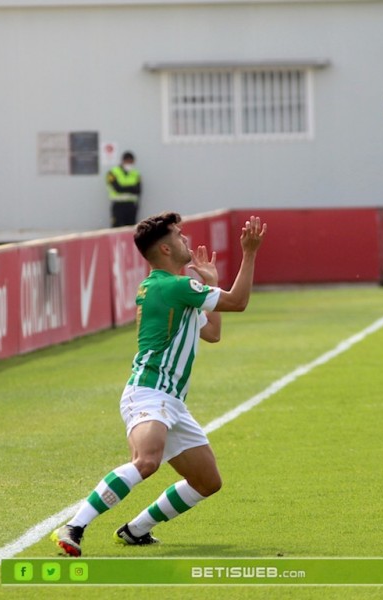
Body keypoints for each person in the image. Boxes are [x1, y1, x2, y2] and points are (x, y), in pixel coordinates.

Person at [52, 212, 267, 557]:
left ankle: (136, 530)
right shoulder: (173, 287)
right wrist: (250, 252)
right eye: (180, 236)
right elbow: (239, 301)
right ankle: (74, 526)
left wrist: (210, 281)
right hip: (149, 392)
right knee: (147, 461)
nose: (186, 241)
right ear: (165, 249)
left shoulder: (172, 292)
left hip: (171, 402)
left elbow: (212, 333)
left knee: (207, 482)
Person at [106, 151, 142, 227]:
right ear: (123, 161)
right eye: (128, 162)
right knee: (116, 228)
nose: (129, 164)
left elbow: (138, 190)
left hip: (131, 206)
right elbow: (117, 188)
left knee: (131, 230)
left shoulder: (136, 174)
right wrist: (131, 188)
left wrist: (124, 187)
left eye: (131, 162)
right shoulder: (112, 172)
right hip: (118, 205)